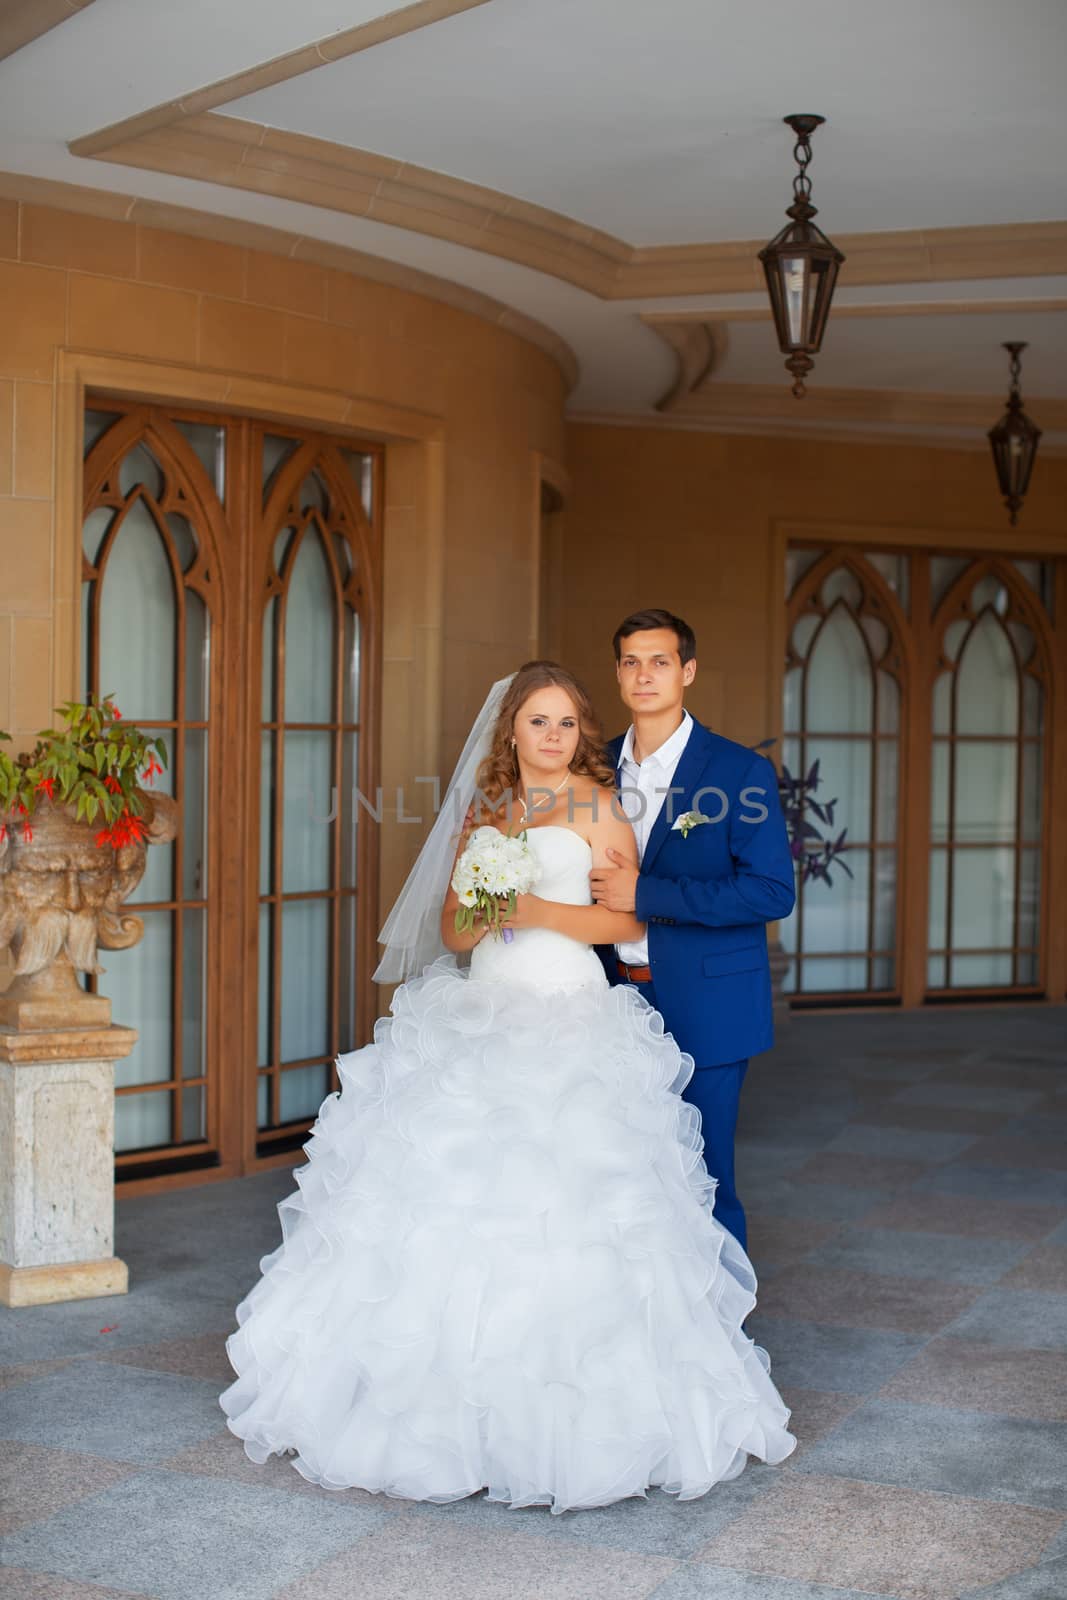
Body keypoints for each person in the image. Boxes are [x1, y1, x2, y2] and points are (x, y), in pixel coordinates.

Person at [221, 660, 794, 1513]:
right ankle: (437, 1410)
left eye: (567, 723)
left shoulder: (601, 807)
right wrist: (485, 908)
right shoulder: (485, 812)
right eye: (539, 721)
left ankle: (569, 1421)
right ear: (512, 732)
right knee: (444, 1197)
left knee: (568, 1206)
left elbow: (627, 917)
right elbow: (452, 926)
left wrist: (534, 911)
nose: (554, 737)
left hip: (568, 1009)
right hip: (480, 1007)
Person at [592, 610, 796, 1252]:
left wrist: (646, 895)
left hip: (709, 1006)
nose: (644, 674)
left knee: (705, 1178)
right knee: (615, 1174)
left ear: (688, 672)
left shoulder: (739, 774)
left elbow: (771, 890)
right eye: (631, 661)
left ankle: (720, 1339)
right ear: (618, 674)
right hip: (605, 1002)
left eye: (659, 661)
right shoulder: (590, 770)